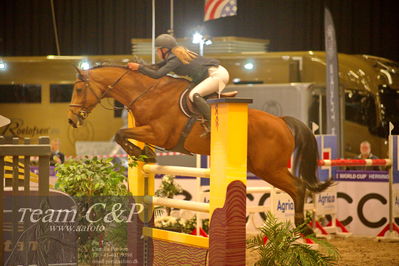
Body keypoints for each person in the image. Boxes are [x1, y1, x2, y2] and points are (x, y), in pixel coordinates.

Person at [127, 34, 229, 121]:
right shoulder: (174, 55)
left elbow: (157, 74)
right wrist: (140, 67)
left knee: (194, 95)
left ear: (164, 50)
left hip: (217, 75)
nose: (157, 53)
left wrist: (139, 67)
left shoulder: (174, 59)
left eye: (158, 50)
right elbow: (156, 66)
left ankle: (212, 123)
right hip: (213, 74)